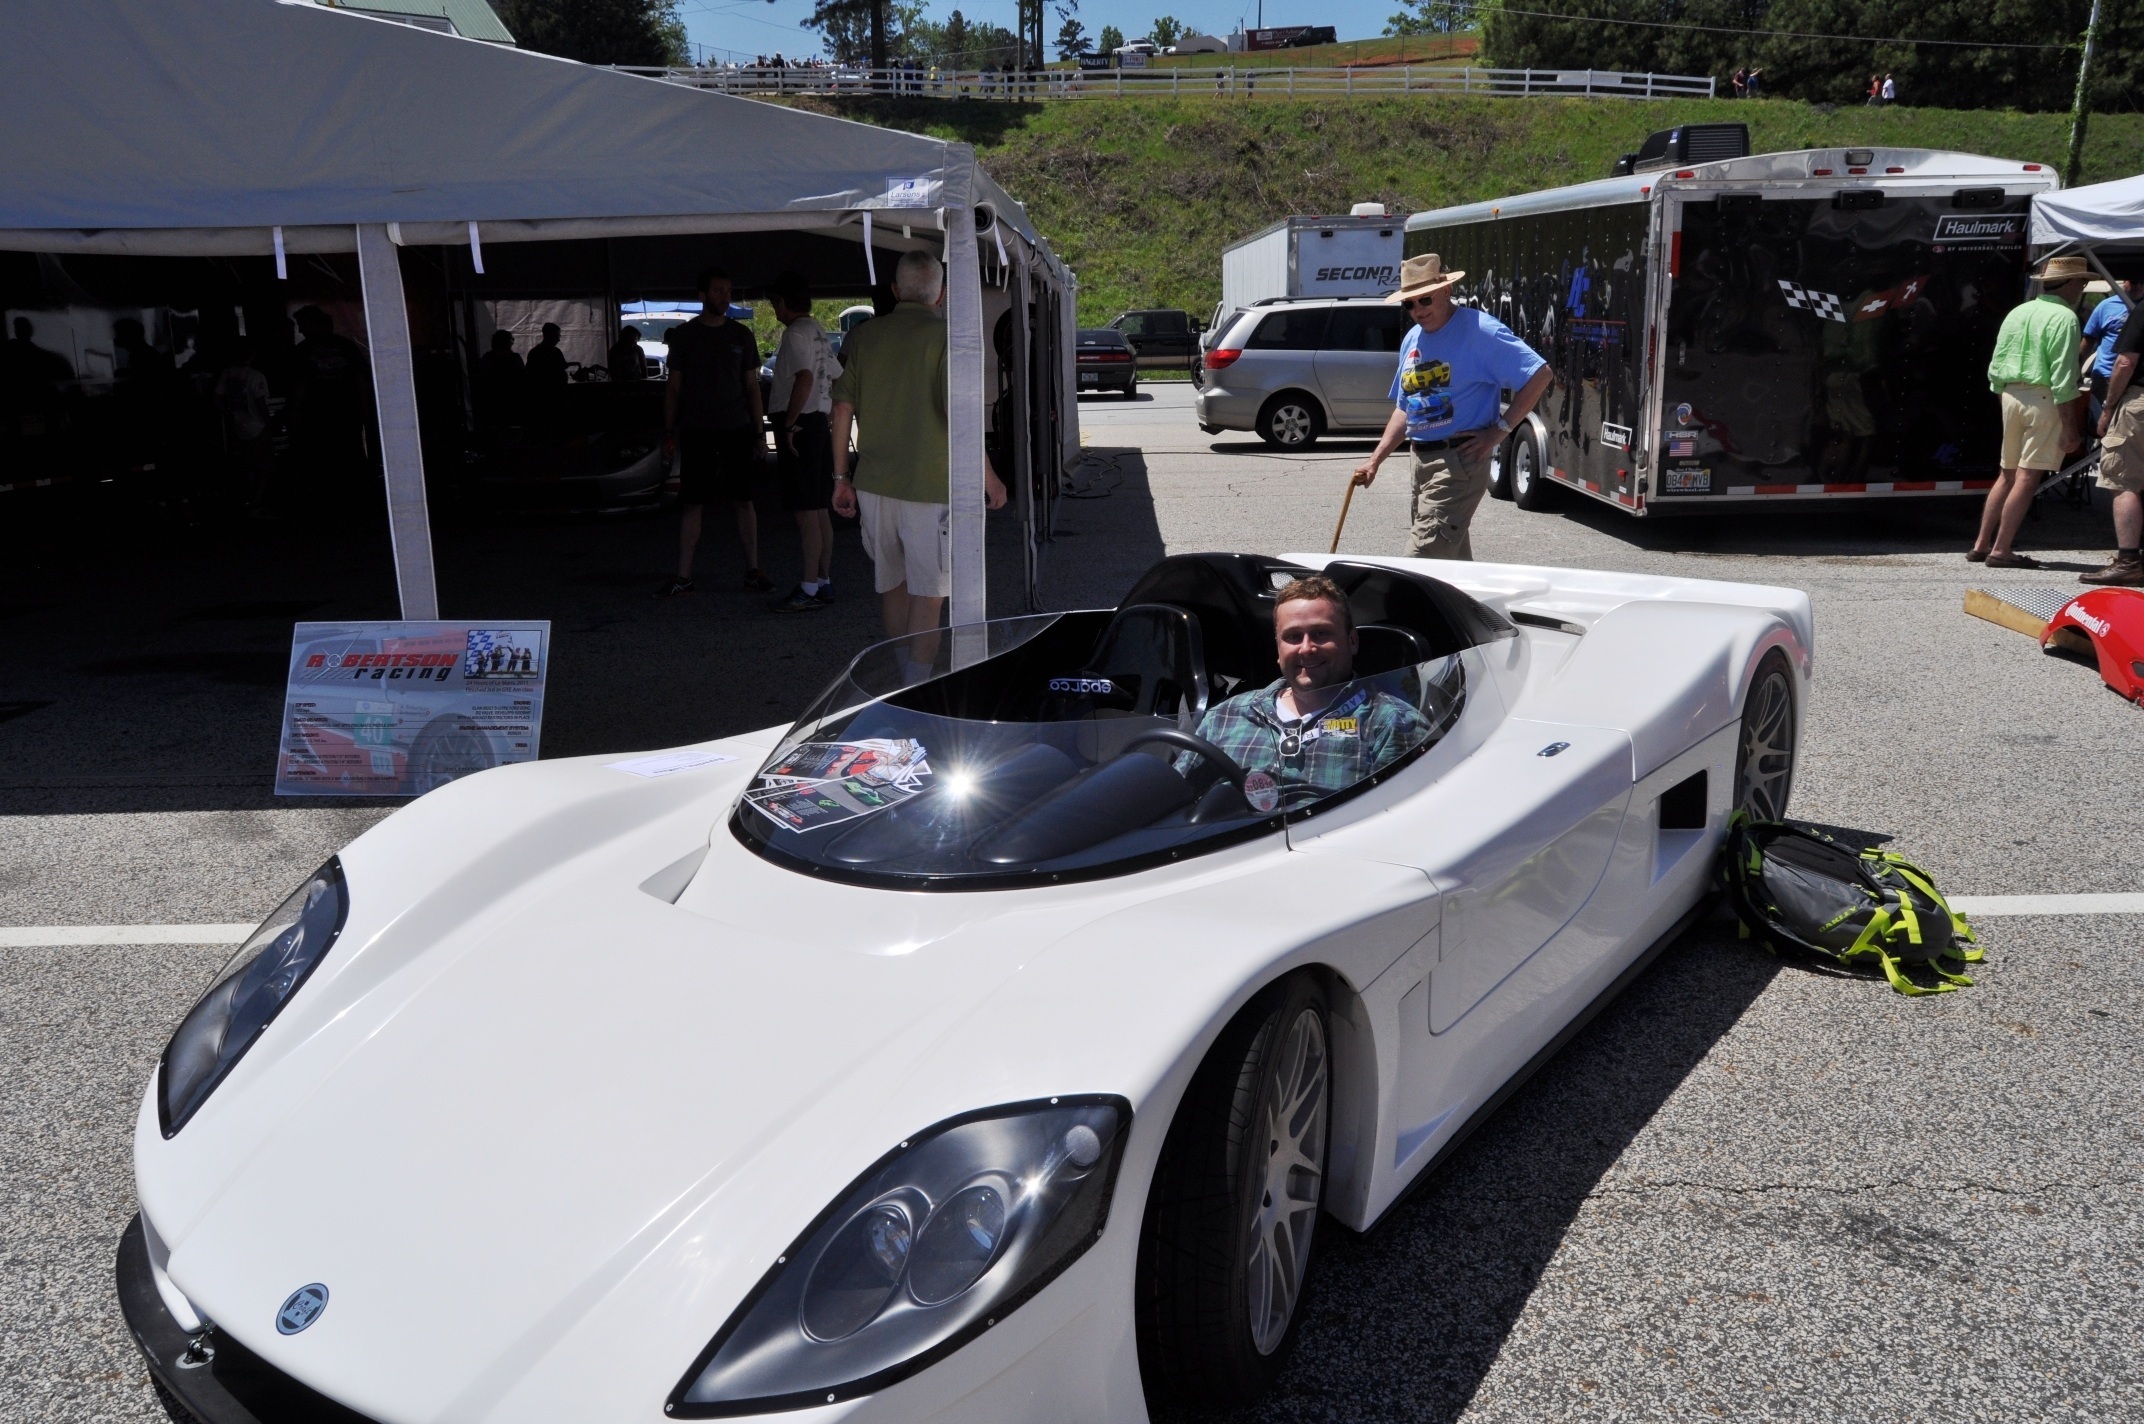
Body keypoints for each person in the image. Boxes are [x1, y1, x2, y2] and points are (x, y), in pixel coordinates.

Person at [830, 250, 1008, 676]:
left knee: (892, 586)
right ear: (942, 293)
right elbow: (960, 420)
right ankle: (916, 685)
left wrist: (841, 476)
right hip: (931, 487)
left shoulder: (865, 337)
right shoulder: (949, 337)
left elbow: (841, 411)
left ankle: (899, 677)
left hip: (874, 483)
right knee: (929, 595)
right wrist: (990, 478)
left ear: (894, 291)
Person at [1350, 252, 1553, 560]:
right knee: (1451, 568)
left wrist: (1499, 431)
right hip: (1420, 461)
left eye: (1425, 300)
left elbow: (1540, 374)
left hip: (1458, 462)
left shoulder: (1480, 331)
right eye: (1410, 304)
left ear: (1446, 290)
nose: (1418, 310)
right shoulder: (1413, 339)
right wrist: (1375, 460)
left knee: (1420, 563)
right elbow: (1406, 407)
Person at [1185, 575, 1434, 811]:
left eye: (1321, 634)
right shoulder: (1226, 715)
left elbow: (1407, 826)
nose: (1306, 649)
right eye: (1293, 637)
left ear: (1352, 641)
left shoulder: (1392, 725)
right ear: (1278, 648)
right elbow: (1173, 796)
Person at [656, 267, 772, 596]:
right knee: (693, 503)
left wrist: (759, 433)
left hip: (736, 428)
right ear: (702, 295)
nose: (725, 296)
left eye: (728, 290)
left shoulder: (741, 335)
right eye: (719, 290)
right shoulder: (685, 336)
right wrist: (668, 430)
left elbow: (752, 387)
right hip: (697, 430)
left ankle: (753, 569)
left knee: (743, 500)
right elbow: (673, 388)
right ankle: (683, 576)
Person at [1970, 254, 2091, 568]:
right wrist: (2070, 425)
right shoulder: (2065, 318)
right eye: (2083, 280)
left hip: (2009, 393)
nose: (2084, 286)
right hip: (2043, 397)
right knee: (2027, 476)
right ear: (2070, 282)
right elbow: (2064, 375)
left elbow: (1997, 363)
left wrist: (2002, 396)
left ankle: (1981, 544)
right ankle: (2001, 550)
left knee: (2007, 474)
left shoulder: (2019, 311)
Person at [766, 272, 839, 613]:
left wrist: (791, 423)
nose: (774, 309)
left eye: (775, 303)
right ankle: (822, 581)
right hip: (818, 422)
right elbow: (834, 376)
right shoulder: (818, 331)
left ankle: (808, 586)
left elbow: (805, 378)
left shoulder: (796, 333)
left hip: (800, 424)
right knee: (820, 507)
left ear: (783, 302)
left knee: (806, 512)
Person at [2083, 299, 2144, 585]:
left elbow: (2125, 361)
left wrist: (2108, 407)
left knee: (2123, 480)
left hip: (2139, 402)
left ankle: (2129, 560)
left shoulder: (2142, 309)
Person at [214, 338, 276, 512]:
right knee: (265, 466)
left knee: (249, 465)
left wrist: (228, 413)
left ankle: (249, 499)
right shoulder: (256, 375)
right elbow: (260, 402)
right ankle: (257, 502)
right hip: (257, 426)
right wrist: (269, 423)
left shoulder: (227, 373)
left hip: (238, 426)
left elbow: (217, 397)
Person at [2080, 280, 2131, 425]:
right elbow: (2089, 339)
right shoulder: (2106, 306)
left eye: (2142, 282)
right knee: (2096, 424)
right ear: (2125, 283)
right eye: (2133, 282)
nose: (2138, 286)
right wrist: (2076, 370)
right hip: (2104, 376)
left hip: (2133, 381)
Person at [474, 328, 524, 428]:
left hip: (492, 404)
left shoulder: (488, 358)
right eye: (511, 340)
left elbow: (481, 379)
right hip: (511, 402)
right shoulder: (514, 358)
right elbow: (522, 378)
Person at [525, 321, 569, 395]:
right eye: (557, 336)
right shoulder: (555, 352)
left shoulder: (534, 352)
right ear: (549, 335)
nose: (558, 339)